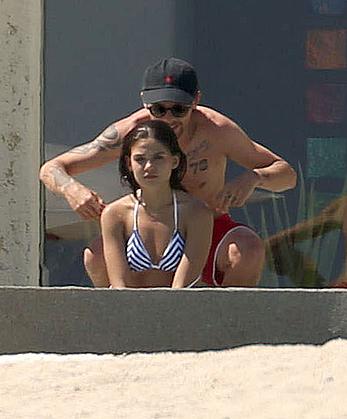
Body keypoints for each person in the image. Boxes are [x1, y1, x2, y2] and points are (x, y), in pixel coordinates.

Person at [40, 57, 297, 287]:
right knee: (96, 256)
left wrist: (255, 178)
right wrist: (72, 189)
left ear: (195, 100)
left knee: (247, 249)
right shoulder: (132, 131)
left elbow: (287, 175)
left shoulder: (216, 130)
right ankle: (120, 329)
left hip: (205, 224)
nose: (168, 118)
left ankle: (231, 330)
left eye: (179, 109)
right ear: (144, 102)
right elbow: (52, 168)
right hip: (149, 226)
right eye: (158, 109)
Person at [101, 120, 213, 288]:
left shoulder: (197, 213)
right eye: (140, 159)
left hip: (181, 308)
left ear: (174, 161)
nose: (149, 166)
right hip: (128, 308)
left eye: (158, 158)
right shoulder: (115, 214)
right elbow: (119, 285)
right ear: (128, 164)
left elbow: (183, 287)